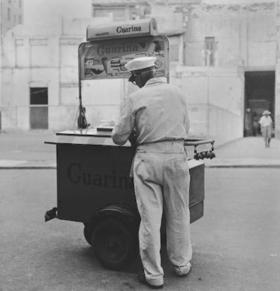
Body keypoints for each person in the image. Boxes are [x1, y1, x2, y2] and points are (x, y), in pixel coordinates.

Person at [112, 56, 192, 289]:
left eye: (134, 77)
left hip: (148, 160)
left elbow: (119, 137)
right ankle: (181, 264)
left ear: (140, 75)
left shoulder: (135, 98)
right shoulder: (178, 93)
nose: (133, 82)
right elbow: (185, 128)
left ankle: (154, 275)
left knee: (150, 219)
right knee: (179, 213)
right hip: (177, 157)